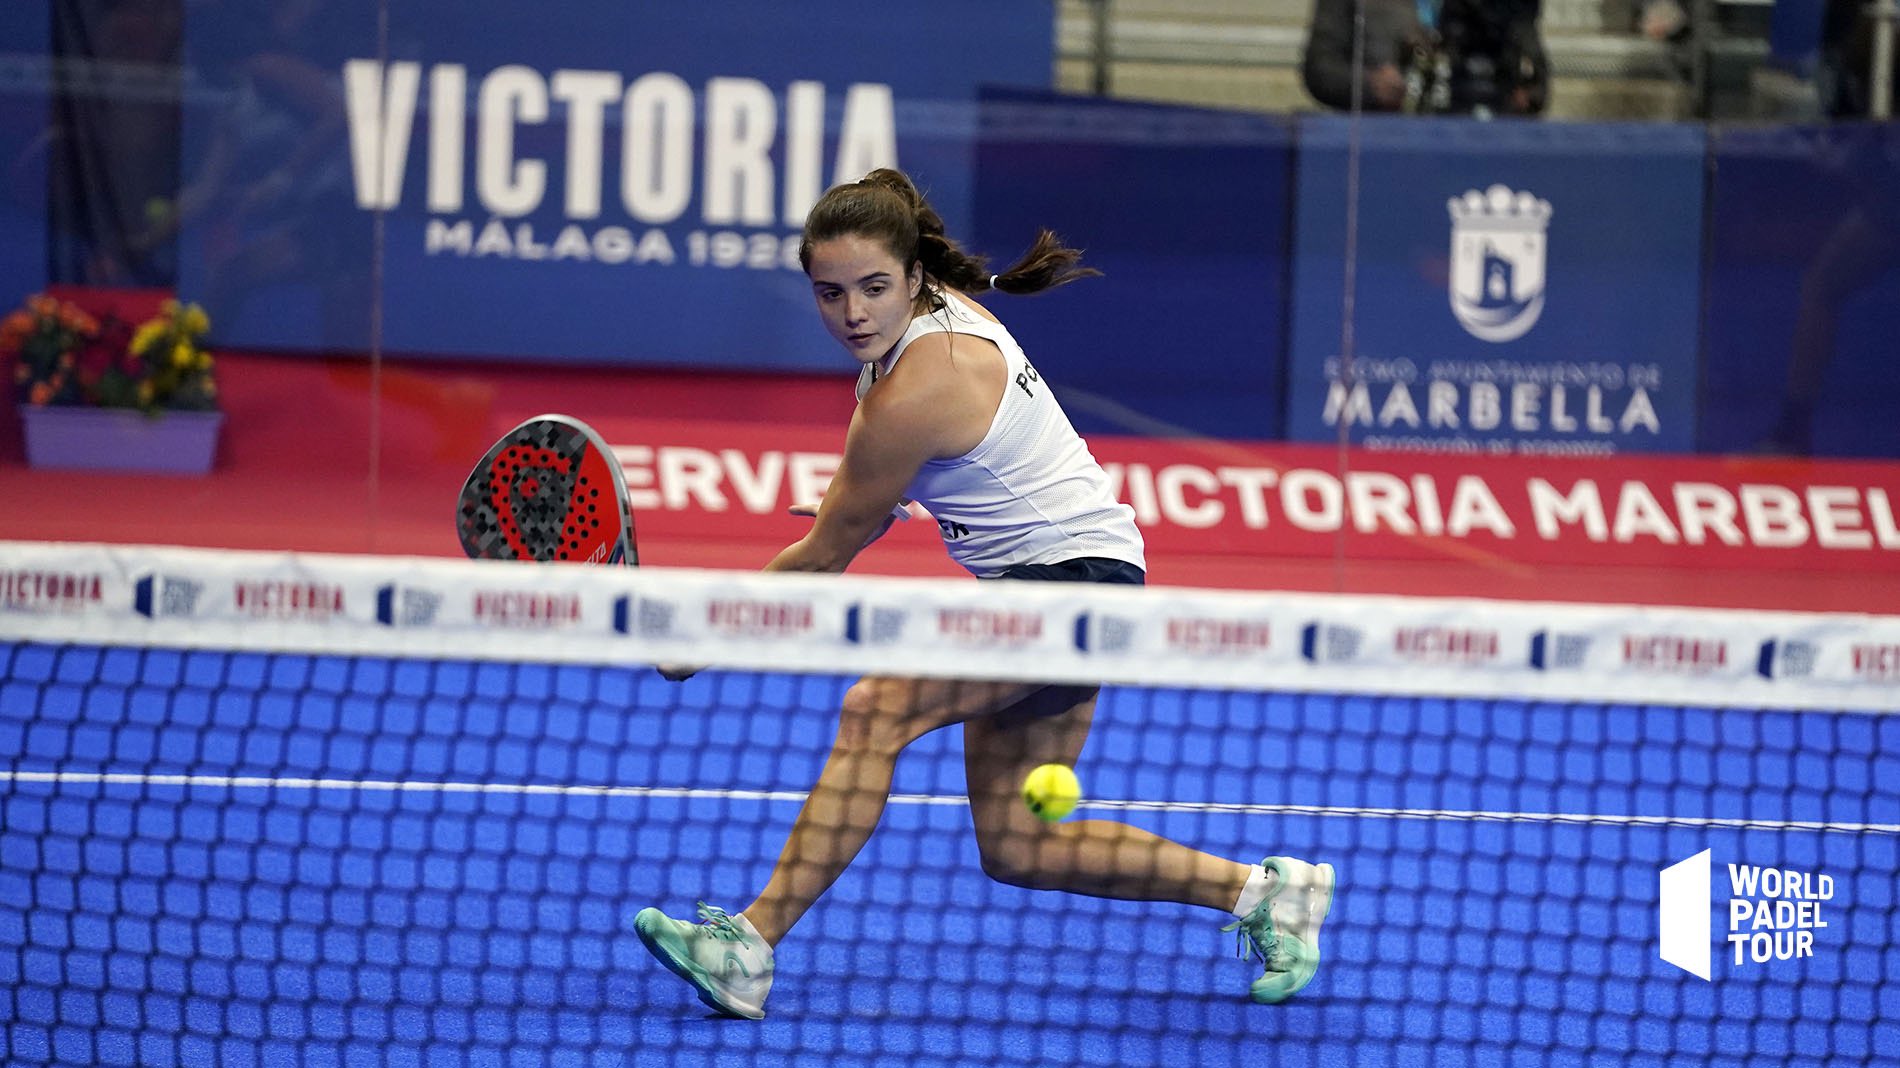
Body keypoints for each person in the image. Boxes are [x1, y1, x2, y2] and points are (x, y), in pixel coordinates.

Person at [633, 169, 1337, 1020]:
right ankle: (1267, 893)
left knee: (874, 709)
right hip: (1094, 577)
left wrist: (701, 638)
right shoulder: (933, 327)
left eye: (872, 287)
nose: (852, 312)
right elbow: (942, 472)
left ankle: (747, 944)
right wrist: (879, 498)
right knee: (1019, 844)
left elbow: (825, 557)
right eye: (829, 293)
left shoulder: (915, 386)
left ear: (913, 277)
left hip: (1073, 589)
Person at [1302, 0, 1549, 116]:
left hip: (1481, 141)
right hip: (1384, 143)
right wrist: (1370, 85)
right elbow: (1319, 69)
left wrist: (1527, 95)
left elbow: (1537, 74)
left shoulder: (1498, 8)